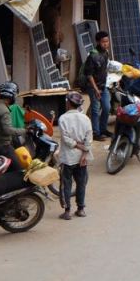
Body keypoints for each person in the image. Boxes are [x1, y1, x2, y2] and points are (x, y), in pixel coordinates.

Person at [57, 91, 93, 220]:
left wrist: (77, 145)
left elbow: (66, 139)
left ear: (68, 103)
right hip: (82, 158)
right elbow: (89, 138)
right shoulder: (85, 118)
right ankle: (81, 209)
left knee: (66, 184)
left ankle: (67, 211)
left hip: (68, 157)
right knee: (81, 183)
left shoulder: (63, 118)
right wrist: (84, 151)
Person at [0, 81, 25, 166]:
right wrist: (25, 131)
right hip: (3, 146)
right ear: (12, 95)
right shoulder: (4, 110)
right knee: (20, 168)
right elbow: (8, 130)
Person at [82, 31, 112, 141]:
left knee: (107, 108)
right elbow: (89, 75)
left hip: (104, 86)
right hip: (93, 87)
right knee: (95, 109)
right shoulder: (93, 56)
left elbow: (105, 69)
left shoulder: (106, 53)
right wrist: (95, 89)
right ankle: (96, 132)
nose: (106, 43)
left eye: (107, 41)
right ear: (98, 42)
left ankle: (103, 129)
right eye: (103, 42)